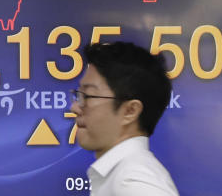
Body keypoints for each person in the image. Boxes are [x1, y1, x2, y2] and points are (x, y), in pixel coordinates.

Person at [70, 41, 179, 196]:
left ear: (130, 111)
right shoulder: (122, 176)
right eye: (78, 95)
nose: (74, 108)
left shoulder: (133, 182)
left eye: (87, 96)